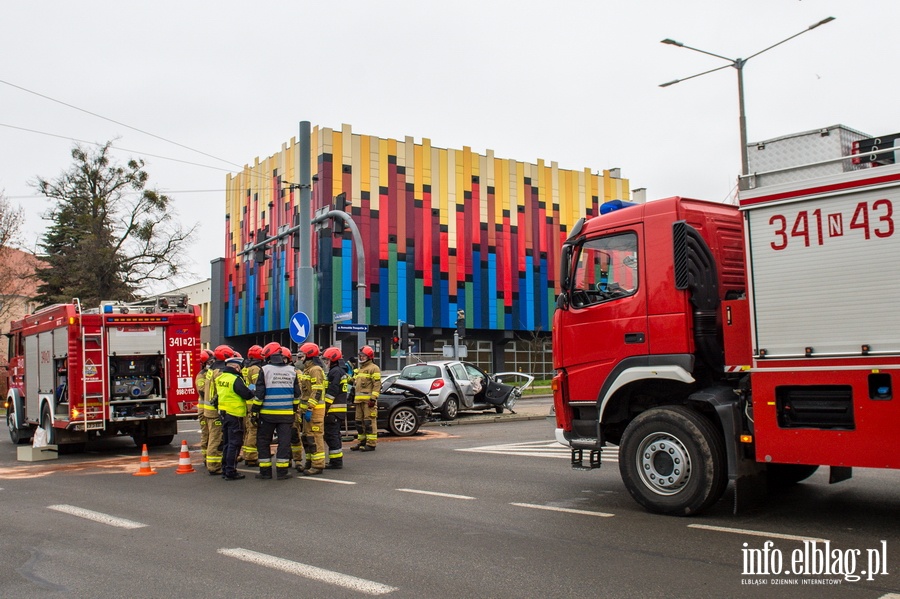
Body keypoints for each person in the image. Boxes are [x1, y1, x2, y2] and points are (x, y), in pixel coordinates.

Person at [250, 342, 301, 480]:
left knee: (263, 441)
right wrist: (293, 409)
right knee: (284, 442)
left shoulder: (265, 370)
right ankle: (282, 472)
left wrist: (255, 411)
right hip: (286, 414)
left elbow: (260, 393)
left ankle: (265, 472)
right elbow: (297, 394)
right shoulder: (292, 371)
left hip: (267, 414)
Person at [215, 356, 255, 480]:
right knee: (235, 443)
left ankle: (225, 468)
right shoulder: (235, 379)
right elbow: (246, 394)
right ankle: (231, 471)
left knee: (227, 443)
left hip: (223, 413)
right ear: (236, 367)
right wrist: (252, 390)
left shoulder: (220, 377)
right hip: (235, 414)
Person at [202, 345, 237, 475]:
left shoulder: (212, 369)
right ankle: (214, 466)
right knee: (216, 438)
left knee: (214, 436)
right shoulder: (220, 372)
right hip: (215, 411)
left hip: (210, 410)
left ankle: (214, 463)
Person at [296, 342, 327, 476]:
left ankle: (318, 465)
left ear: (309, 356)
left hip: (314, 410)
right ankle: (309, 462)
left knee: (315, 437)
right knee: (307, 437)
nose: (300, 358)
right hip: (306, 410)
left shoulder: (315, 370)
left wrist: (310, 408)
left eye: (302, 355)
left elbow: (317, 390)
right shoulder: (307, 370)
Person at [322, 346, 349, 470]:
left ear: (333, 360)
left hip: (333, 410)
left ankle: (336, 462)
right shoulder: (340, 371)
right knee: (334, 435)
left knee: (331, 435)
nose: (326, 362)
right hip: (339, 410)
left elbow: (332, 390)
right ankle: (336, 460)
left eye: (327, 360)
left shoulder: (335, 372)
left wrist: (325, 407)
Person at [351, 345, 381, 452]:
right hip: (359, 401)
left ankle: (371, 444)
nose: (361, 357)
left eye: (363, 356)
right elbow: (353, 381)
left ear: (369, 356)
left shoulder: (374, 368)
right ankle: (361, 442)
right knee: (359, 423)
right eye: (360, 355)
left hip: (368, 402)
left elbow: (377, 384)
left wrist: (373, 398)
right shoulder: (360, 369)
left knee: (369, 423)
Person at [239, 344, 264, 467]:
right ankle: (251, 457)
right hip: (253, 404)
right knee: (253, 430)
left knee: (248, 430)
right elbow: (258, 386)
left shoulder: (245, 368)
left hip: (246, 404)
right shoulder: (255, 369)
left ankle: (248, 454)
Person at [195, 349, 214, 467]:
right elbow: (202, 391)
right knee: (206, 434)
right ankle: (206, 457)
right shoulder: (201, 376)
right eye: (210, 361)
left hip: (211, 409)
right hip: (204, 410)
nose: (212, 363)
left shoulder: (211, 373)